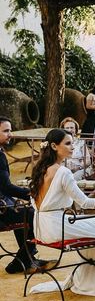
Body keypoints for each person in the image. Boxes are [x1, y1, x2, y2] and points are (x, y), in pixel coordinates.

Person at [27, 129, 95, 297]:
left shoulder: (40, 169)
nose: (72, 147)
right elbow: (86, 203)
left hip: (41, 227)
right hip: (57, 228)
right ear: (54, 146)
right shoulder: (63, 172)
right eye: (68, 144)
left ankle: (92, 278)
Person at [0, 116, 49, 274]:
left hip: (4, 203)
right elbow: (6, 187)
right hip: (1, 208)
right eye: (6, 131)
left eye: (10, 130)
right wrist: (31, 194)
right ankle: (23, 260)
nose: (10, 134)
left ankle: (26, 259)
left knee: (22, 211)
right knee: (32, 214)